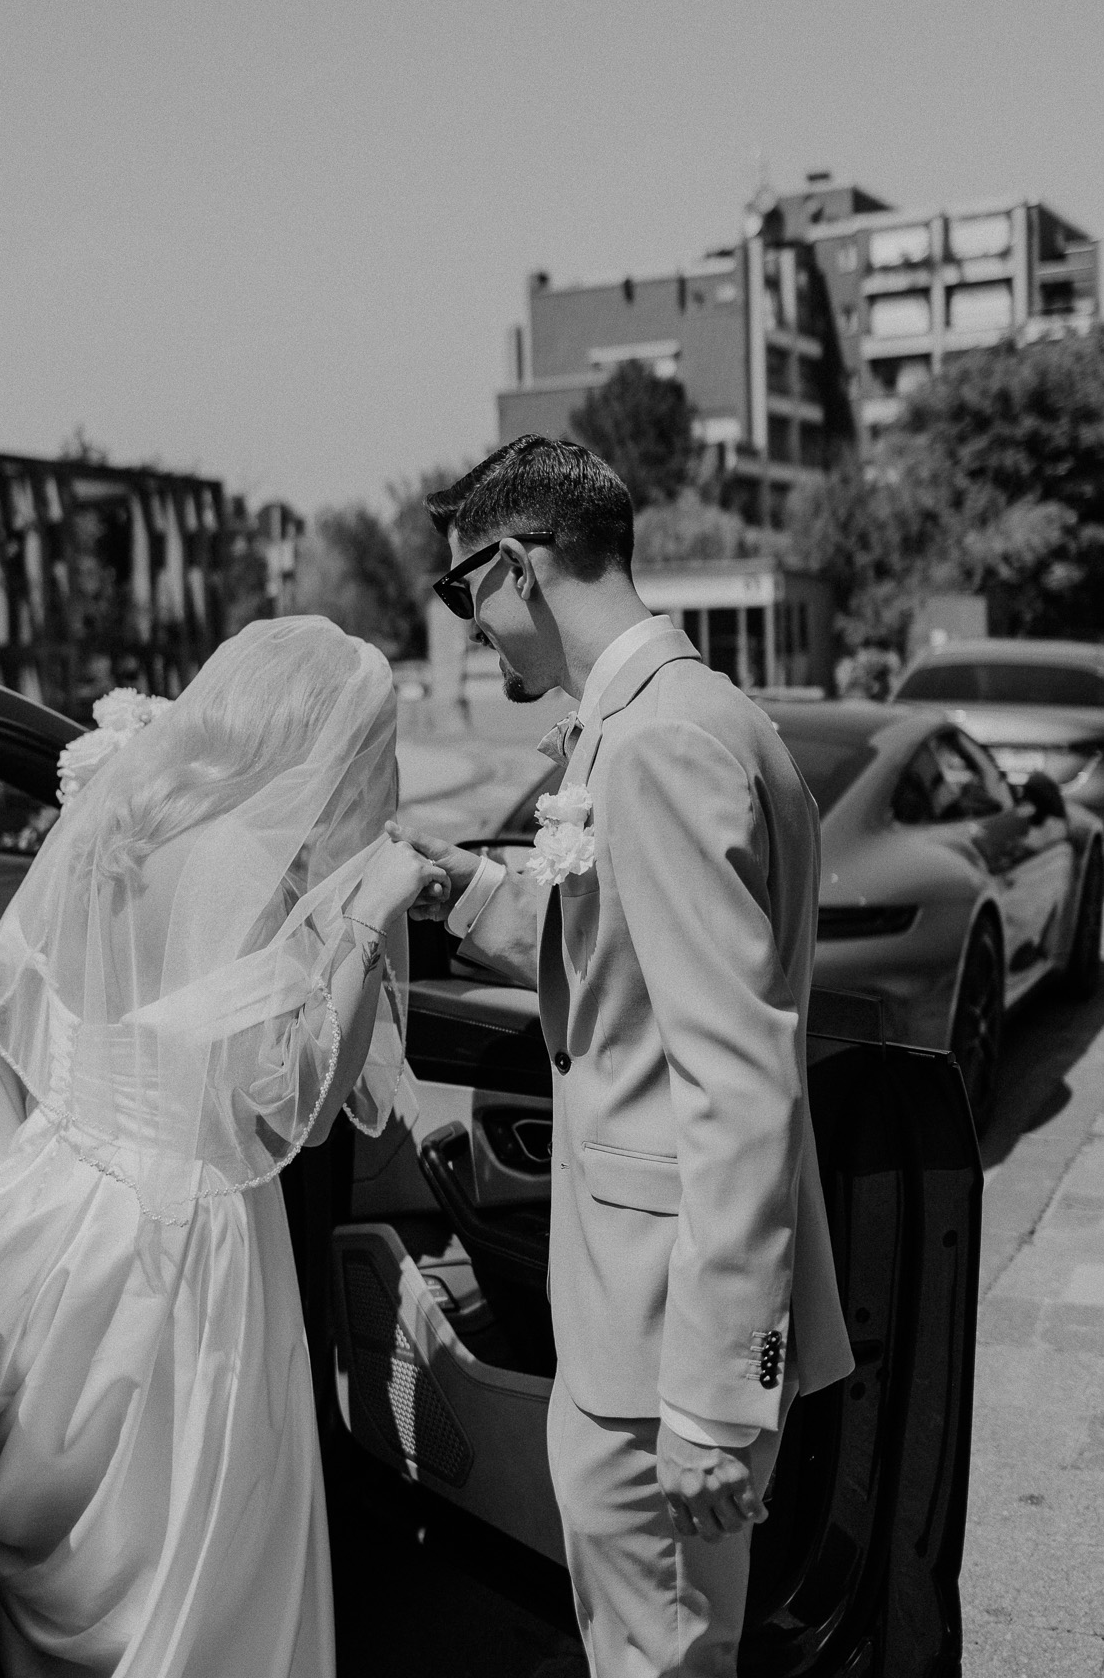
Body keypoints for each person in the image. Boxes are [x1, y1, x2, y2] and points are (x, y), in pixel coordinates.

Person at [0, 617, 447, 1678]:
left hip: (54, 1210)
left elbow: (11, 992)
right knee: (186, 1568)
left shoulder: (129, 816)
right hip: (178, 1249)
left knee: (84, 1557)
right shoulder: (244, 865)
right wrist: (370, 920)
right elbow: (285, 1110)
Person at [390, 437, 854, 1678]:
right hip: (644, 1324)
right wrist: (473, 890)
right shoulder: (701, 714)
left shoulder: (656, 744)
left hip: (662, 1347)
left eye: (458, 593)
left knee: (656, 1660)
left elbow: (735, 1079)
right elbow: (631, 967)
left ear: (515, 568)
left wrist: (710, 1398)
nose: (468, 628)